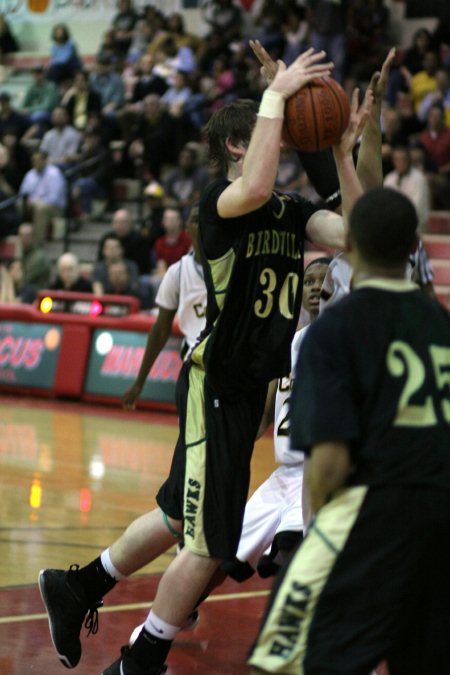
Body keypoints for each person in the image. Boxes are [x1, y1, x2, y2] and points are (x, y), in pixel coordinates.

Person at [38, 47, 372, 675]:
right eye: (267, 132)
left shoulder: (291, 211)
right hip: (215, 383)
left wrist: (345, 157)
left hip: (244, 390)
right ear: (239, 147)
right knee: (212, 542)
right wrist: (277, 95)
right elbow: (253, 185)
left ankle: (78, 585)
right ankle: (141, 659)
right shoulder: (220, 204)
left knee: (175, 513)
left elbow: (359, 236)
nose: (278, 137)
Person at [248, 186, 450, 675]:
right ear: (412, 248)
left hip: (373, 512)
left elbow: (331, 462)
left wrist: (321, 537)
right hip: (442, 516)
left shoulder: (332, 330)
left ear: (350, 245)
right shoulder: (439, 323)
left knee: (281, 657)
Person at [223, 257, 331, 583]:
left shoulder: (342, 340)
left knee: (292, 555)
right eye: (308, 281)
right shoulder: (288, 343)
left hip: (316, 472)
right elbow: (264, 416)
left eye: (322, 281)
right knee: (223, 560)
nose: (314, 287)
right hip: (283, 472)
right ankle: (170, 619)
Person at [122, 204, 207, 409]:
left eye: (207, 219)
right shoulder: (177, 272)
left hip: (229, 366)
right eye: (196, 220)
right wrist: (139, 381)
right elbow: (160, 330)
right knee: (192, 438)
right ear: (187, 228)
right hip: (196, 367)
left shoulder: (234, 266)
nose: (202, 225)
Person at [19, 149, 67, 243]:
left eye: (38, 160)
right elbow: (23, 194)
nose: (35, 162)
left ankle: (38, 242)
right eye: (33, 160)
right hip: (34, 205)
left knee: (40, 208)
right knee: (19, 205)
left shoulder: (54, 174)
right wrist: (28, 201)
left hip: (55, 208)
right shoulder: (30, 174)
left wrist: (35, 202)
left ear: (45, 160)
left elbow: (54, 198)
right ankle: (21, 238)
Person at [17, 222, 51, 290]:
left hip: (38, 295)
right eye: (21, 235)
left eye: (27, 236)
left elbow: (24, 279)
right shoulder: (24, 253)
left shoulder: (39, 257)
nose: (23, 238)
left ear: (33, 237)